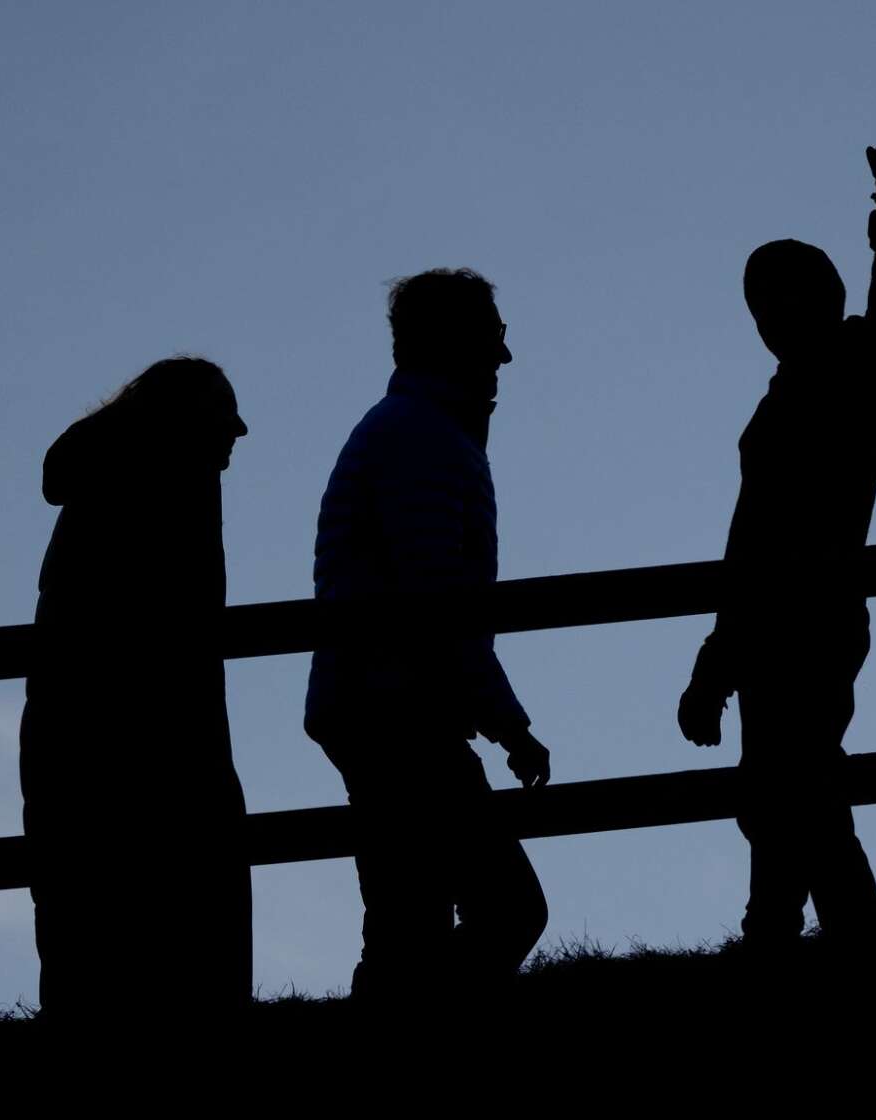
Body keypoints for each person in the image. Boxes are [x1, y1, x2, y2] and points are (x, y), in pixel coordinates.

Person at [676, 144, 876, 949]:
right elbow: (747, 538)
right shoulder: (781, 398)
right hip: (769, 624)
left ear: (825, 299)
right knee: (782, 798)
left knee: (796, 798)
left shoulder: (855, 363)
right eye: (760, 304)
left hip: (811, 619)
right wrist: (717, 661)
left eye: (786, 297)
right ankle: (779, 933)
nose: (771, 315)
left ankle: (806, 936)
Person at [305, 269, 551, 1004]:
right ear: (456, 342)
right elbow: (438, 599)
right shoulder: (423, 439)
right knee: (502, 909)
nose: (504, 358)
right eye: (493, 337)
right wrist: (507, 722)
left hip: (380, 702)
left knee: (405, 921)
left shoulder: (413, 431)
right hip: (395, 706)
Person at [20, 357, 252, 1023]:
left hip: (74, 737)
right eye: (224, 414)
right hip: (162, 741)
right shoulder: (176, 483)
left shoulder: (111, 477)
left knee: (83, 931)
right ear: (186, 419)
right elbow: (178, 633)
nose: (239, 431)